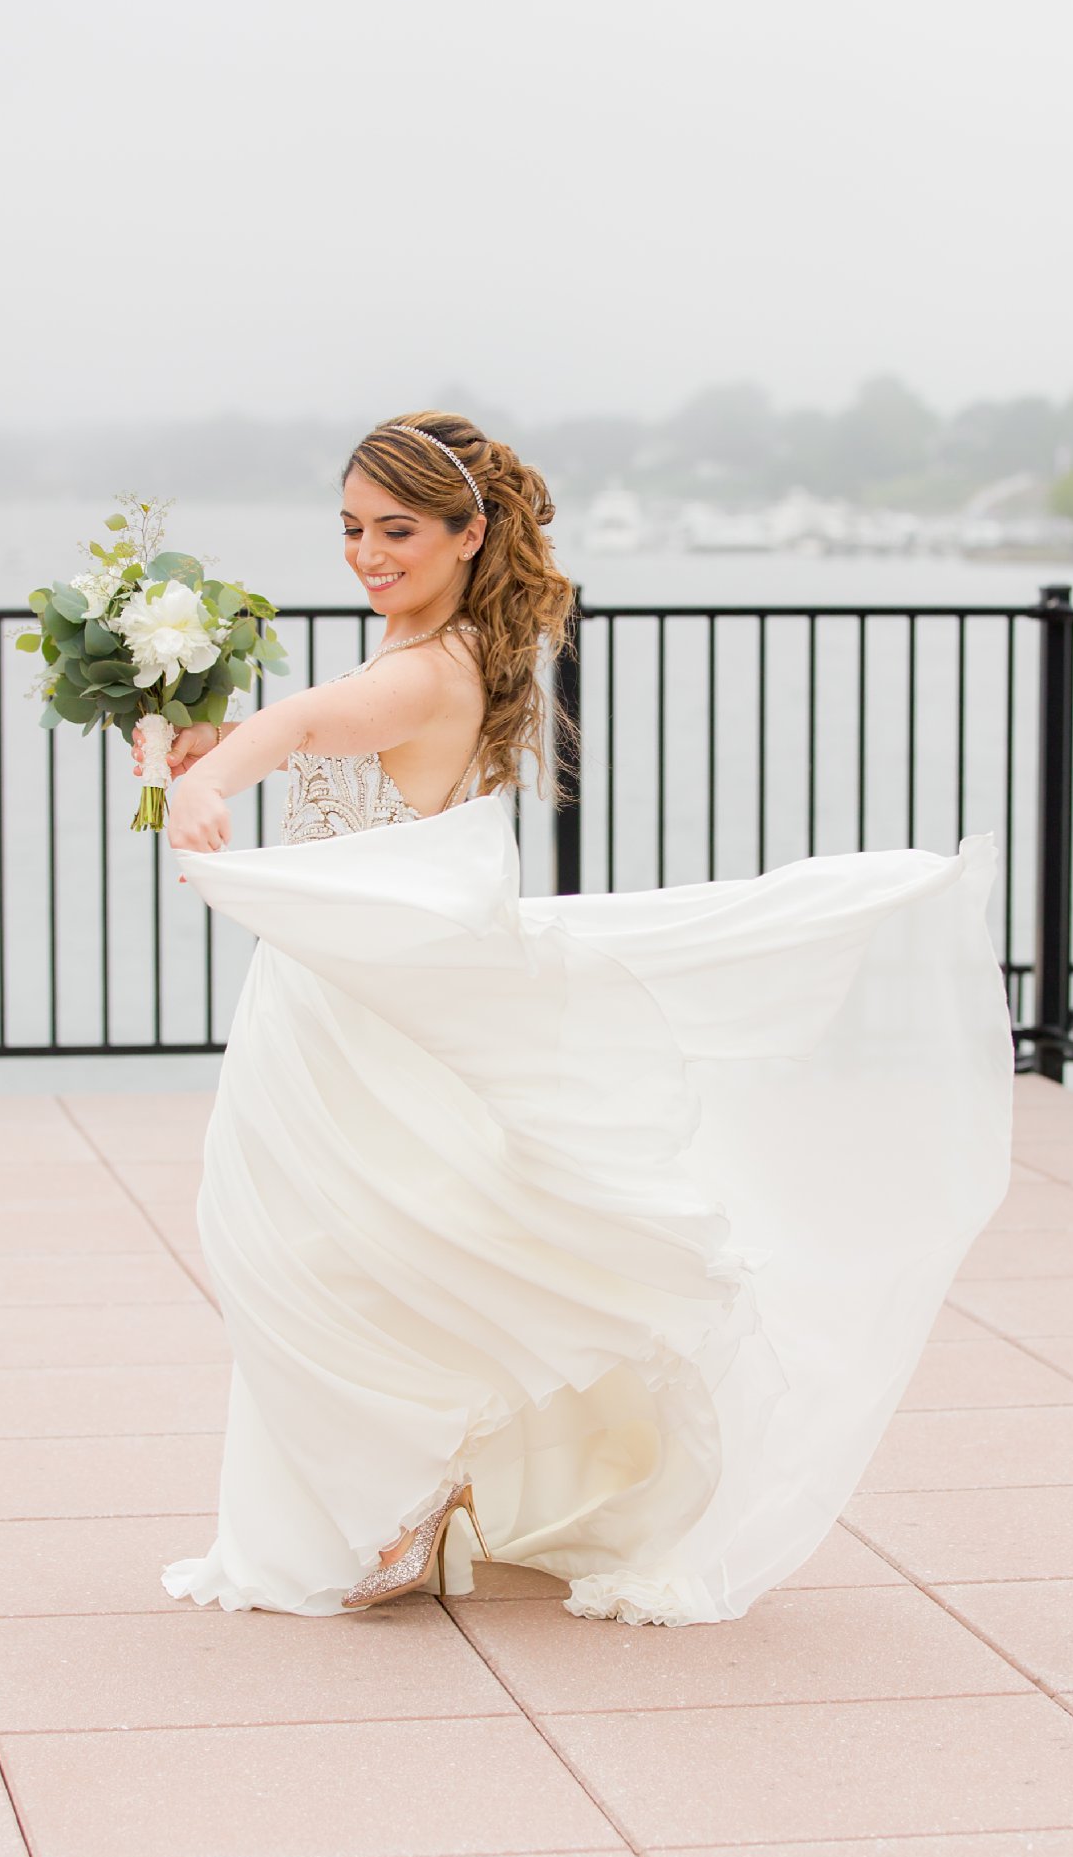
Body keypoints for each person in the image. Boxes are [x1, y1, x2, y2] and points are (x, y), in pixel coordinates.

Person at [152, 411, 1014, 1627]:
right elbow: (319, 751)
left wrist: (214, 773)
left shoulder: (429, 664)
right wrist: (197, 749)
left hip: (370, 1011)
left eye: (396, 530)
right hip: (349, 999)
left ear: (468, 533)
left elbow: (306, 728)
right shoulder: (425, 650)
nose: (366, 553)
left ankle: (395, 1505)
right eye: (350, 529)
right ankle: (401, 1503)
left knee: (324, 1254)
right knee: (337, 1251)